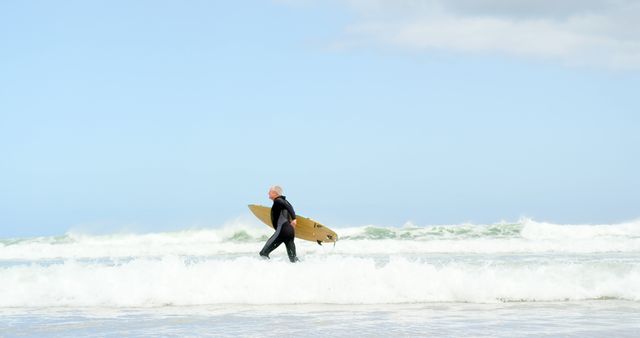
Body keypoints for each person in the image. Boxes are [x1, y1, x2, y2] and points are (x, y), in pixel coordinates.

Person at [259, 185, 299, 262]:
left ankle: (265, 272)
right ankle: (303, 269)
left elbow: (288, 207)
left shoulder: (278, 201)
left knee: (263, 253)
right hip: (290, 231)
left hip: (282, 231)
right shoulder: (285, 201)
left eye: (270, 192)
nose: (268, 193)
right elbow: (289, 207)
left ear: (275, 193)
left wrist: (294, 219)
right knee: (293, 259)